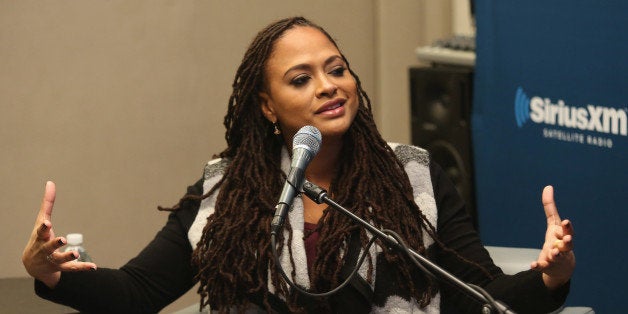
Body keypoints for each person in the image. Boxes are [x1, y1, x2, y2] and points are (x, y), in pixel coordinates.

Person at [22, 17, 575, 313]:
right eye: (301, 78)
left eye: (336, 69)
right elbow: (140, 292)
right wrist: (54, 275)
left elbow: (476, 296)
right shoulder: (226, 191)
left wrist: (548, 277)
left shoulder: (414, 178)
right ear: (267, 106)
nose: (329, 86)